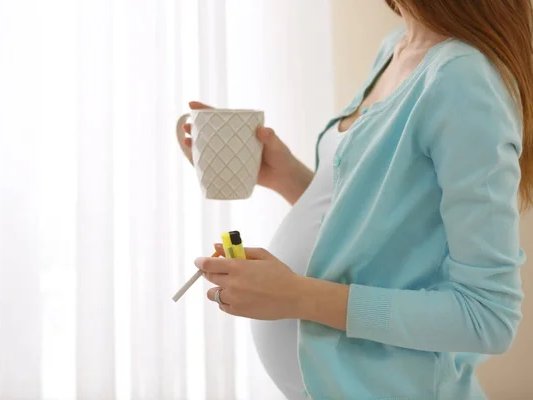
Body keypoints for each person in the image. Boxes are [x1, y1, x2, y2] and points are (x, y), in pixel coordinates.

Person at [182, 0, 533, 398]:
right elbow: (382, 228)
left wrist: (295, 295)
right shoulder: (397, 48)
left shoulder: (463, 79)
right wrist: (286, 176)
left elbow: (487, 317)